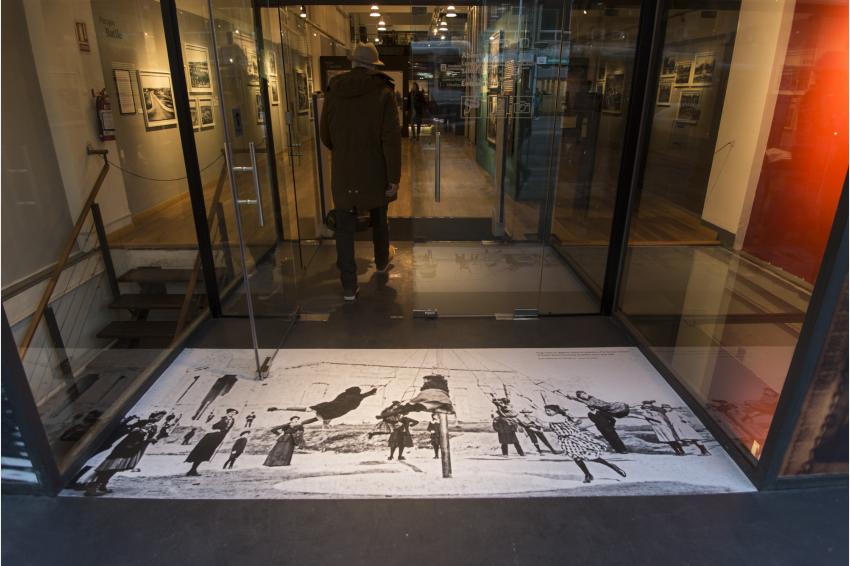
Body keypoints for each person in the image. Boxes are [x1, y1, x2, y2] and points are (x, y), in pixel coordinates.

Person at [320, 42, 402, 300]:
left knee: (343, 228)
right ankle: (381, 262)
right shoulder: (383, 92)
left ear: (353, 63)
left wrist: (345, 152)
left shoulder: (334, 91)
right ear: (373, 65)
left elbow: (325, 135)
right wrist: (393, 178)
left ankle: (349, 286)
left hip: (343, 172)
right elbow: (391, 141)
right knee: (379, 216)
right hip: (374, 170)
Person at [85, 411, 167, 496]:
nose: (159, 418)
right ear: (152, 416)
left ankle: (103, 485)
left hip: (135, 449)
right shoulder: (142, 422)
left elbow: (148, 439)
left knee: (116, 467)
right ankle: (94, 486)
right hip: (124, 447)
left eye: (161, 417)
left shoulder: (154, 427)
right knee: (111, 466)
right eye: (158, 416)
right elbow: (130, 431)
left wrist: (155, 438)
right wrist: (138, 430)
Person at [544, 405, 626, 484]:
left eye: (549, 410)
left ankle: (612, 466)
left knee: (591, 457)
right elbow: (548, 427)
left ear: (555, 411)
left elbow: (577, 421)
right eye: (546, 411)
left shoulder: (559, 417)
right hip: (565, 441)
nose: (547, 412)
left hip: (575, 438)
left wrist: (569, 416)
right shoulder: (555, 419)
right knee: (576, 458)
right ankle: (588, 475)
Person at [185, 408, 238, 476]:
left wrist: (225, 438)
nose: (233, 414)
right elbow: (205, 425)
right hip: (210, 437)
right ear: (228, 412)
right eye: (232, 412)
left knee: (206, 453)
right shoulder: (220, 418)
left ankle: (193, 470)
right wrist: (213, 430)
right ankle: (192, 470)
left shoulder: (233, 420)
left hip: (218, 439)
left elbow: (228, 430)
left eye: (234, 413)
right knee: (201, 452)